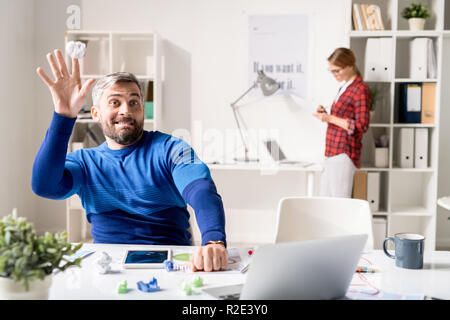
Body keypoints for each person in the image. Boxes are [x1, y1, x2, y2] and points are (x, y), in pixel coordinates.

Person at [32, 49, 227, 272]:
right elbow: (44, 186)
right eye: (115, 102)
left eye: (134, 103)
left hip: (170, 264)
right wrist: (63, 117)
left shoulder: (172, 148)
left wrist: (213, 240)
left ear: (142, 109)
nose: (126, 110)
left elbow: (201, 190)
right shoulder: (85, 162)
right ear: (95, 113)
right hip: (108, 268)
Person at [313, 47, 371, 198]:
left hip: (344, 152)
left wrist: (330, 118)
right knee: (325, 201)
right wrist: (326, 115)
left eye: (337, 71)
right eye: (331, 71)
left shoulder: (360, 89)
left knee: (339, 204)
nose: (334, 75)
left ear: (350, 66)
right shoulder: (345, 87)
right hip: (332, 150)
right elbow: (342, 118)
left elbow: (361, 125)